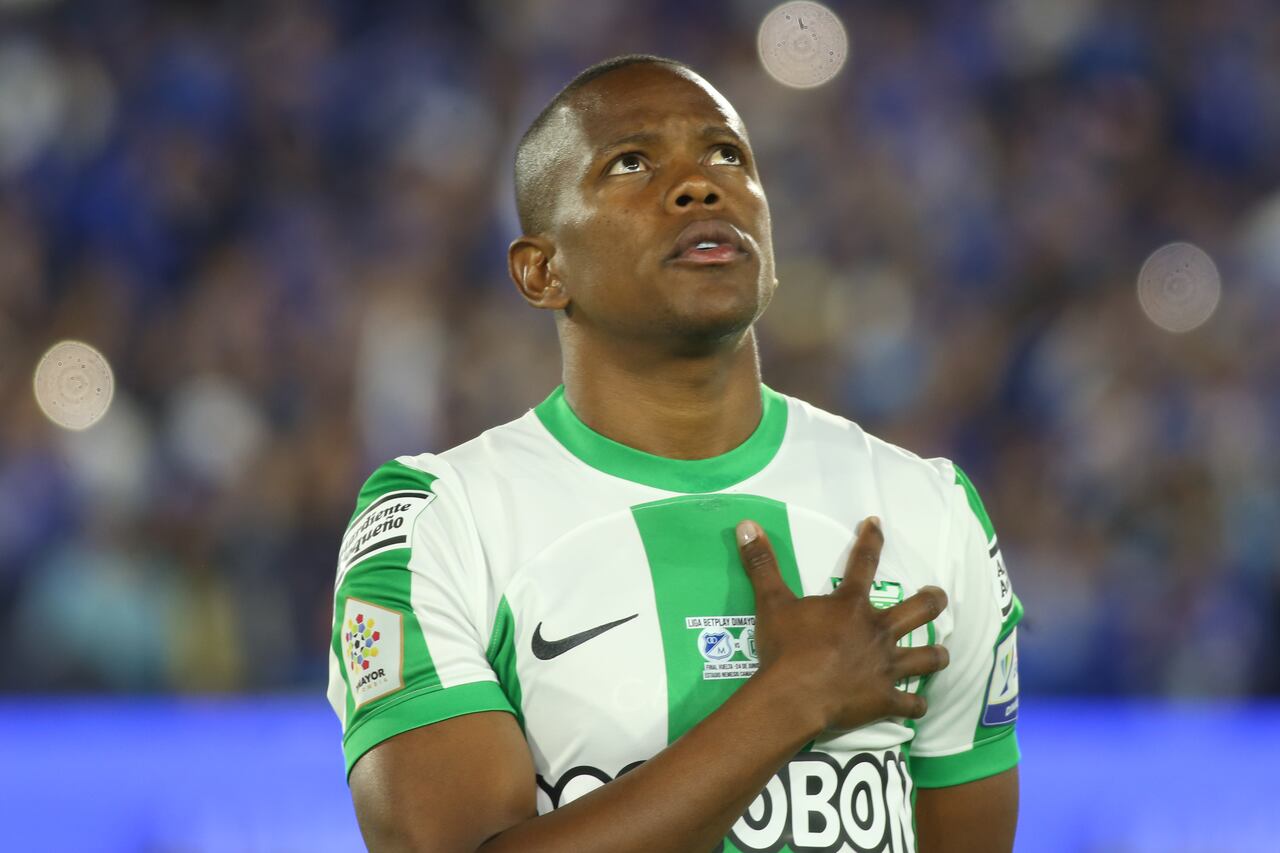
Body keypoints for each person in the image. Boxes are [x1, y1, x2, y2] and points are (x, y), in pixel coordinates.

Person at [327, 53, 1022, 853]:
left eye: (727, 154)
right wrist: (792, 698)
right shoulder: (438, 524)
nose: (700, 185)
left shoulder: (927, 507)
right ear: (542, 271)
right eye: (631, 163)